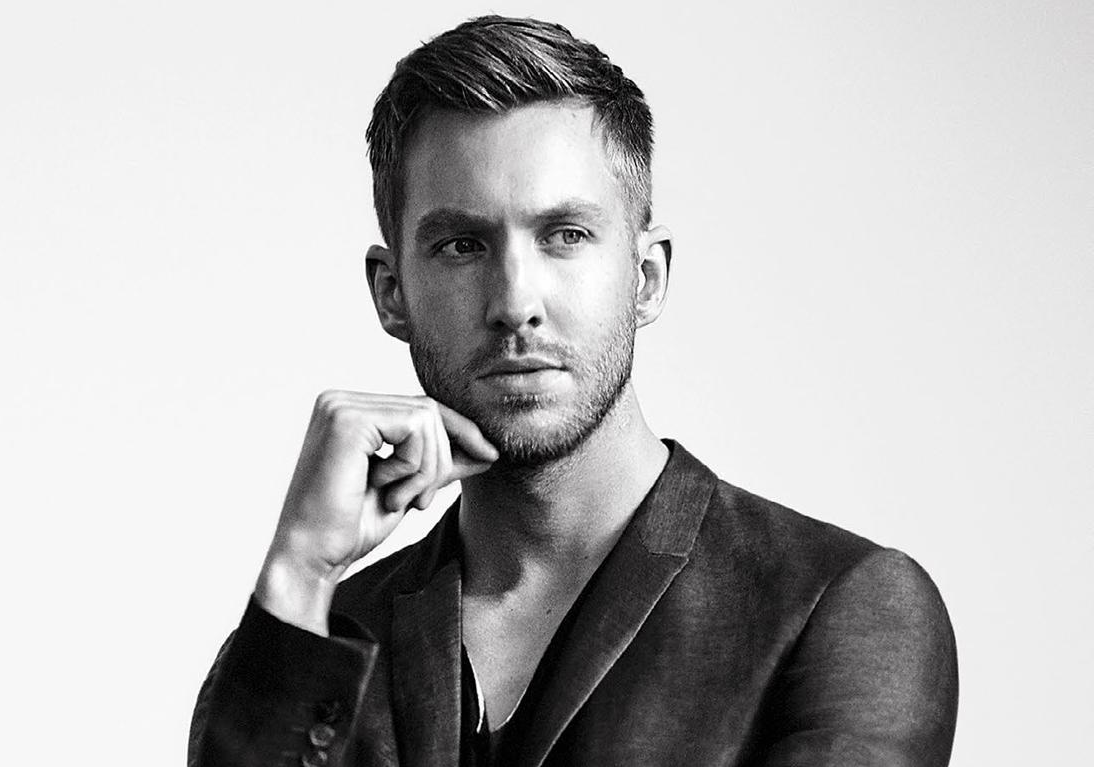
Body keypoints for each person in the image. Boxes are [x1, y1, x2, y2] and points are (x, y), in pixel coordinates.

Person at [189, 15, 958, 767]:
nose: (515, 301)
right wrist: (300, 570)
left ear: (646, 277)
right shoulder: (308, 649)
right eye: (462, 245)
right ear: (393, 294)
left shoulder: (841, 606)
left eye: (565, 236)